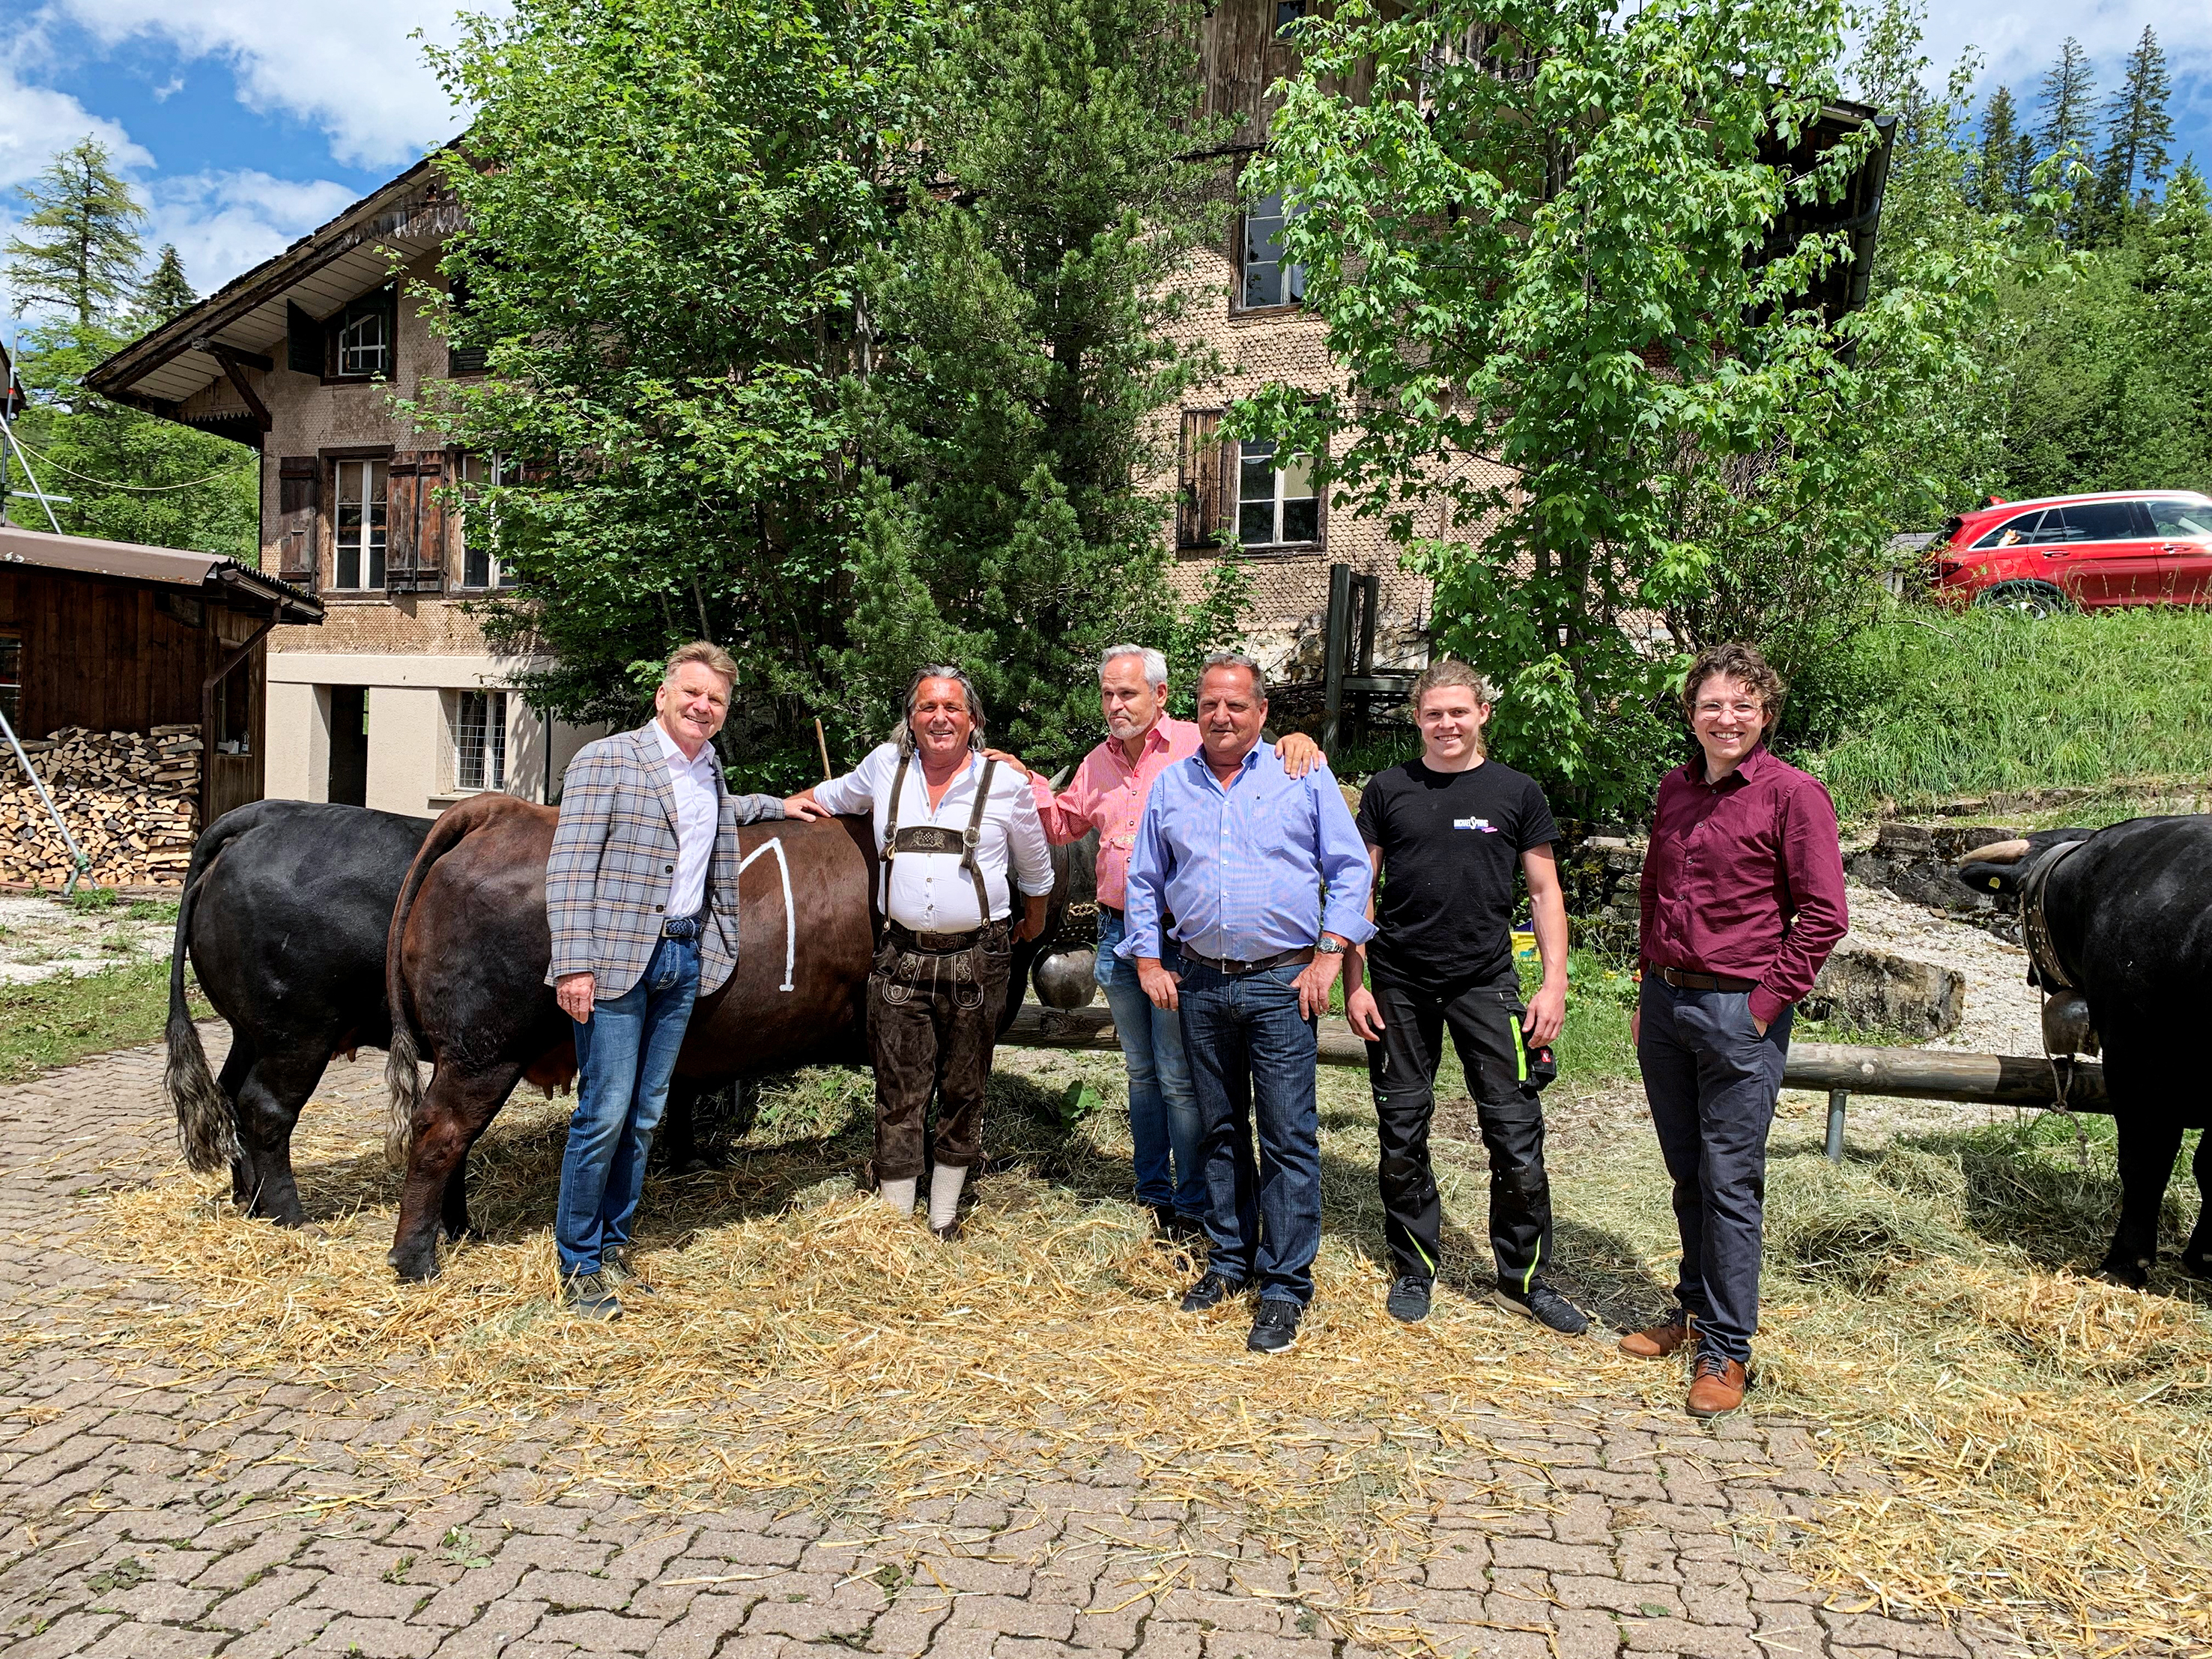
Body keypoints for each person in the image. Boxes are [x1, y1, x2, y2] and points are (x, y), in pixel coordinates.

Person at [993, 644, 1323, 1240]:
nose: (1115, 705)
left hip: (1179, 935)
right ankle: (1152, 1189)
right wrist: (1027, 781)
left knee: (1178, 1075)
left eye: (1127, 693)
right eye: (1107, 694)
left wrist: (1296, 739)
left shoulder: (1198, 743)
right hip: (1116, 929)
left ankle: (1193, 1199)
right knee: (1141, 1070)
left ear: (1160, 695)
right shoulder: (1097, 761)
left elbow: (1261, 757)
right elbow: (1062, 824)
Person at [1121, 652, 1374, 1355]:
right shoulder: (1173, 785)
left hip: (1281, 983)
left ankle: (1285, 1285)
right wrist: (1148, 958)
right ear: (1194, 711)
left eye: (1236, 705)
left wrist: (1330, 954)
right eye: (1209, 704)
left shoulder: (1301, 773)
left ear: (1261, 712)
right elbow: (1144, 878)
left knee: (1288, 1135)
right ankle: (1229, 1261)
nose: (1222, 716)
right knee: (1220, 1128)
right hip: (1200, 981)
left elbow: (1350, 868)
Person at [1626, 642, 1846, 1417]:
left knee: (1729, 1180)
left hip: (1736, 1012)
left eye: (1742, 705)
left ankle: (1726, 1348)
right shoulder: (1675, 788)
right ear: (1691, 714)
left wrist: (1761, 1006)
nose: (1726, 717)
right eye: (1711, 704)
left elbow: (1823, 915)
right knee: (1687, 1171)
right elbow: (1655, 889)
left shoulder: (1793, 795)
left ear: (1766, 714)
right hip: (1667, 1003)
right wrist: (1645, 983)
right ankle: (1692, 1311)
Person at [546, 641, 787, 1320]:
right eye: (692, 693)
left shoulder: (708, 769)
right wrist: (573, 964)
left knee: (646, 1114)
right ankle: (578, 1262)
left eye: (716, 699)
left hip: (682, 959)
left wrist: (786, 803)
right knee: (604, 1112)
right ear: (662, 695)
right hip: (614, 962)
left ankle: (614, 1245)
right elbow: (569, 867)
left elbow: (719, 812)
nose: (702, 706)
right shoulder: (606, 759)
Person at [1344, 661, 1586, 1334]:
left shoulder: (1515, 791)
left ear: (1482, 713)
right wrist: (1354, 982)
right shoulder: (1388, 789)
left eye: (1458, 712)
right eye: (1433, 713)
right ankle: (1413, 1268)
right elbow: (1359, 890)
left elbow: (1544, 892)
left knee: (1514, 1132)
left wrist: (1554, 984)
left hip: (1486, 981)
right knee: (1401, 1129)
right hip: (1399, 982)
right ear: (1416, 719)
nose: (1445, 724)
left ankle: (1521, 1280)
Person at [783, 666, 1052, 1239]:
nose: (939, 717)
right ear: (911, 719)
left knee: (963, 1088)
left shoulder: (1004, 783)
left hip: (976, 958)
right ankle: (896, 1217)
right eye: (927, 707)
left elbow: (1036, 869)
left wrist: (1031, 922)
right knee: (897, 1088)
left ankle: (943, 1214)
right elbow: (829, 796)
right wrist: (779, 807)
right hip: (900, 957)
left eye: (952, 707)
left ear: (973, 720)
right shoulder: (885, 766)